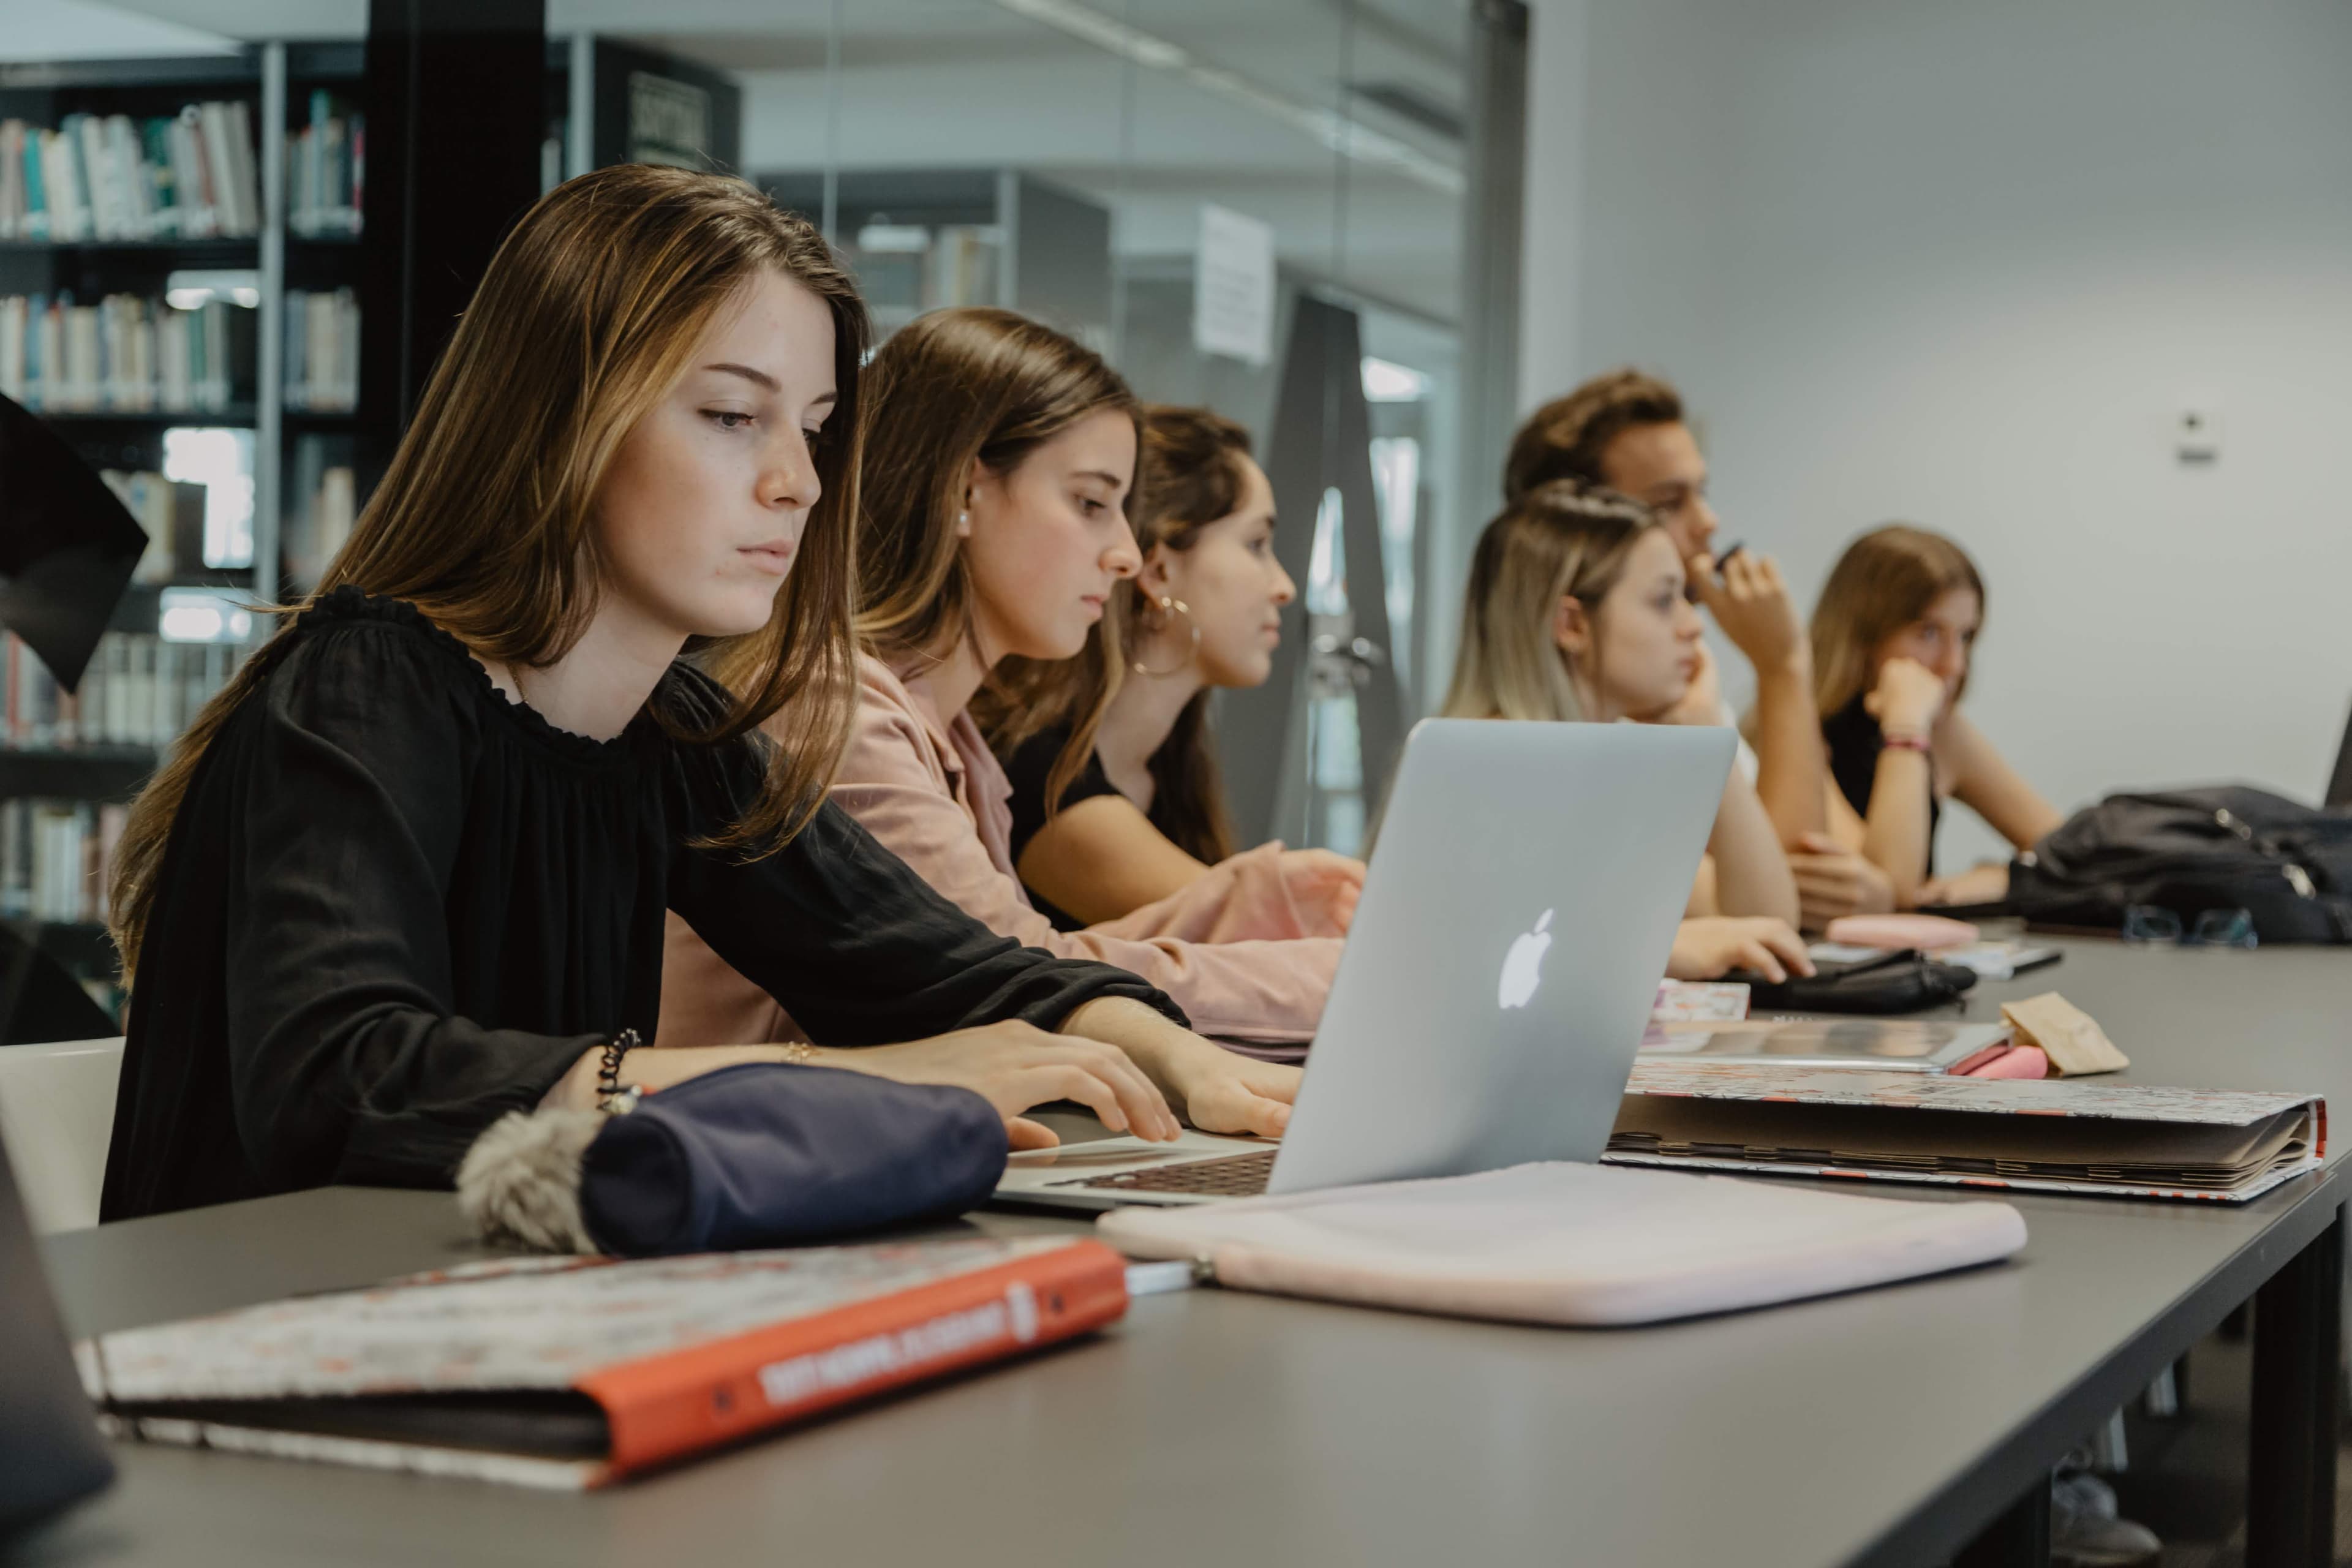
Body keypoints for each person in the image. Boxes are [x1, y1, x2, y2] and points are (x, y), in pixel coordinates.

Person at [99, 167, 1294, 1223]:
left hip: (492, 1313)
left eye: (815, 430)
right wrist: (838, 1078)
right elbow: (344, 1074)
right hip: (248, 1340)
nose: (796, 484)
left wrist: (1178, 1061)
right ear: (568, 414)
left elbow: (951, 968)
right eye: (733, 417)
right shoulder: (366, 690)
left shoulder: (669, 732)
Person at [660, 309, 1342, 1052]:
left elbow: (1021, 953)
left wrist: (1267, 900)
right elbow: (1023, 977)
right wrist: (1328, 977)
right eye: (1090, 503)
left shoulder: (943, 728)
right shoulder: (835, 710)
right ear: (962, 489)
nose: (1122, 554)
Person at [1504, 369, 1894, 926]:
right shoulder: (1572, 739)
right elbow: (1780, 910)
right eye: (1668, 503)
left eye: (1701, 493)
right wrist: (1783, 668)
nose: (1708, 523)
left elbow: (1818, 867)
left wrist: (1876, 891)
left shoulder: (1680, 694)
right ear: (1578, 522)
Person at [983, 404, 1362, 932]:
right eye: (1256, 545)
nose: (1283, 586)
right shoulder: (1036, 774)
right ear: (1158, 570)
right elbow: (1259, 932)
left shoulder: (1172, 767)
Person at [1441, 481, 1812, 982]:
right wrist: (1658, 947)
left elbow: (1767, 923)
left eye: (1686, 598)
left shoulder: (1612, 763)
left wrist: (1710, 739)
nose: (1693, 626)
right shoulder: (1484, 770)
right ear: (1572, 625)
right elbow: (1481, 955)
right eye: (1664, 601)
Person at [1811, 525, 2063, 909]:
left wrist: (2006, 876)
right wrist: (1905, 730)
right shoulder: (1796, 734)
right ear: (1862, 635)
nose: (1954, 665)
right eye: (1928, 633)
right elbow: (1886, 893)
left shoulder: (1945, 732)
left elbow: (2069, 851)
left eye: (1965, 636)